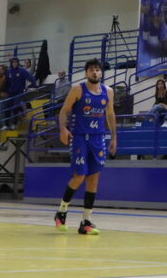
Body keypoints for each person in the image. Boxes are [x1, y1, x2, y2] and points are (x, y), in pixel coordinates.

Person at [54, 59, 117, 235]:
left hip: (98, 139)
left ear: (101, 73)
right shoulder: (77, 89)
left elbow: (110, 114)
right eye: (91, 70)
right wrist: (63, 128)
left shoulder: (108, 92)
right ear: (86, 73)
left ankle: (86, 221)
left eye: (97, 70)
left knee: (94, 179)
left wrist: (113, 137)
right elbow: (64, 111)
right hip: (80, 137)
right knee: (79, 176)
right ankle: (61, 212)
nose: (95, 72)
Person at [3, 57, 37, 130]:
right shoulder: (8, 71)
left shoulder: (22, 71)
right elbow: (6, 83)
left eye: (16, 62)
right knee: (6, 107)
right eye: (13, 62)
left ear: (18, 63)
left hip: (19, 92)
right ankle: (6, 124)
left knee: (15, 107)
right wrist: (6, 91)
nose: (14, 63)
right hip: (10, 93)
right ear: (11, 63)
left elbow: (30, 78)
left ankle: (15, 124)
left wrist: (34, 85)